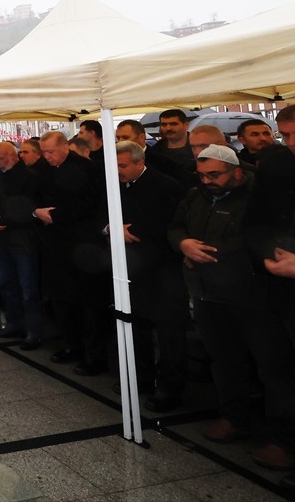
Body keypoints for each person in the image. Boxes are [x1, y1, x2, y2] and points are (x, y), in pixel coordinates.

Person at [170, 144, 295, 471]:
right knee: (224, 359)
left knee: (273, 368)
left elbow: (262, 238)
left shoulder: (257, 196)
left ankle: (286, 439)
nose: (207, 181)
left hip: (253, 296)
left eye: (214, 174)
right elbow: (176, 226)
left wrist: (207, 251)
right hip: (208, 293)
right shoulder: (195, 196)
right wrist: (183, 243)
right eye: (202, 175)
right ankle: (234, 418)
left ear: (236, 171)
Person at [246, 103, 295, 495]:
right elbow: (256, 220)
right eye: (286, 134)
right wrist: (269, 260)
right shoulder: (279, 166)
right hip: (284, 288)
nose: (292, 142)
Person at [115, 141, 186, 412]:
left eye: (122, 166)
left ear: (139, 162)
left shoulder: (166, 186)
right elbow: (102, 213)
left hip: (162, 270)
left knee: (169, 333)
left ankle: (169, 389)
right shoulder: (116, 184)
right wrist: (111, 227)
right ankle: (141, 377)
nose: (118, 171)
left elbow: (166, 224)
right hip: (131, 269)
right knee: (135, 326)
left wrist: (131, 231)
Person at [35, 130, 109, 376]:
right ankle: (72, 345)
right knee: (61, 301)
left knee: (88, 305)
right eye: (44, 152)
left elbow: (89, 205)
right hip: (55, 246)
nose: (47, 157)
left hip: (83, 247)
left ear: (65, 147)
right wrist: (37, 212)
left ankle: (95, 355)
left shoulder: (87, 170)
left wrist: (53, 215)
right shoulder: (44, 169)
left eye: (51, 152)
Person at [0, 142, 43, 349]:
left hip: (23, 238)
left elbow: (27, 208)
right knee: (7, 284)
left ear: (11, 156)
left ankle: (33, 331)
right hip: (3, 238)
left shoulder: (30, 177)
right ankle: (14, 323)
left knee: (28, 287)